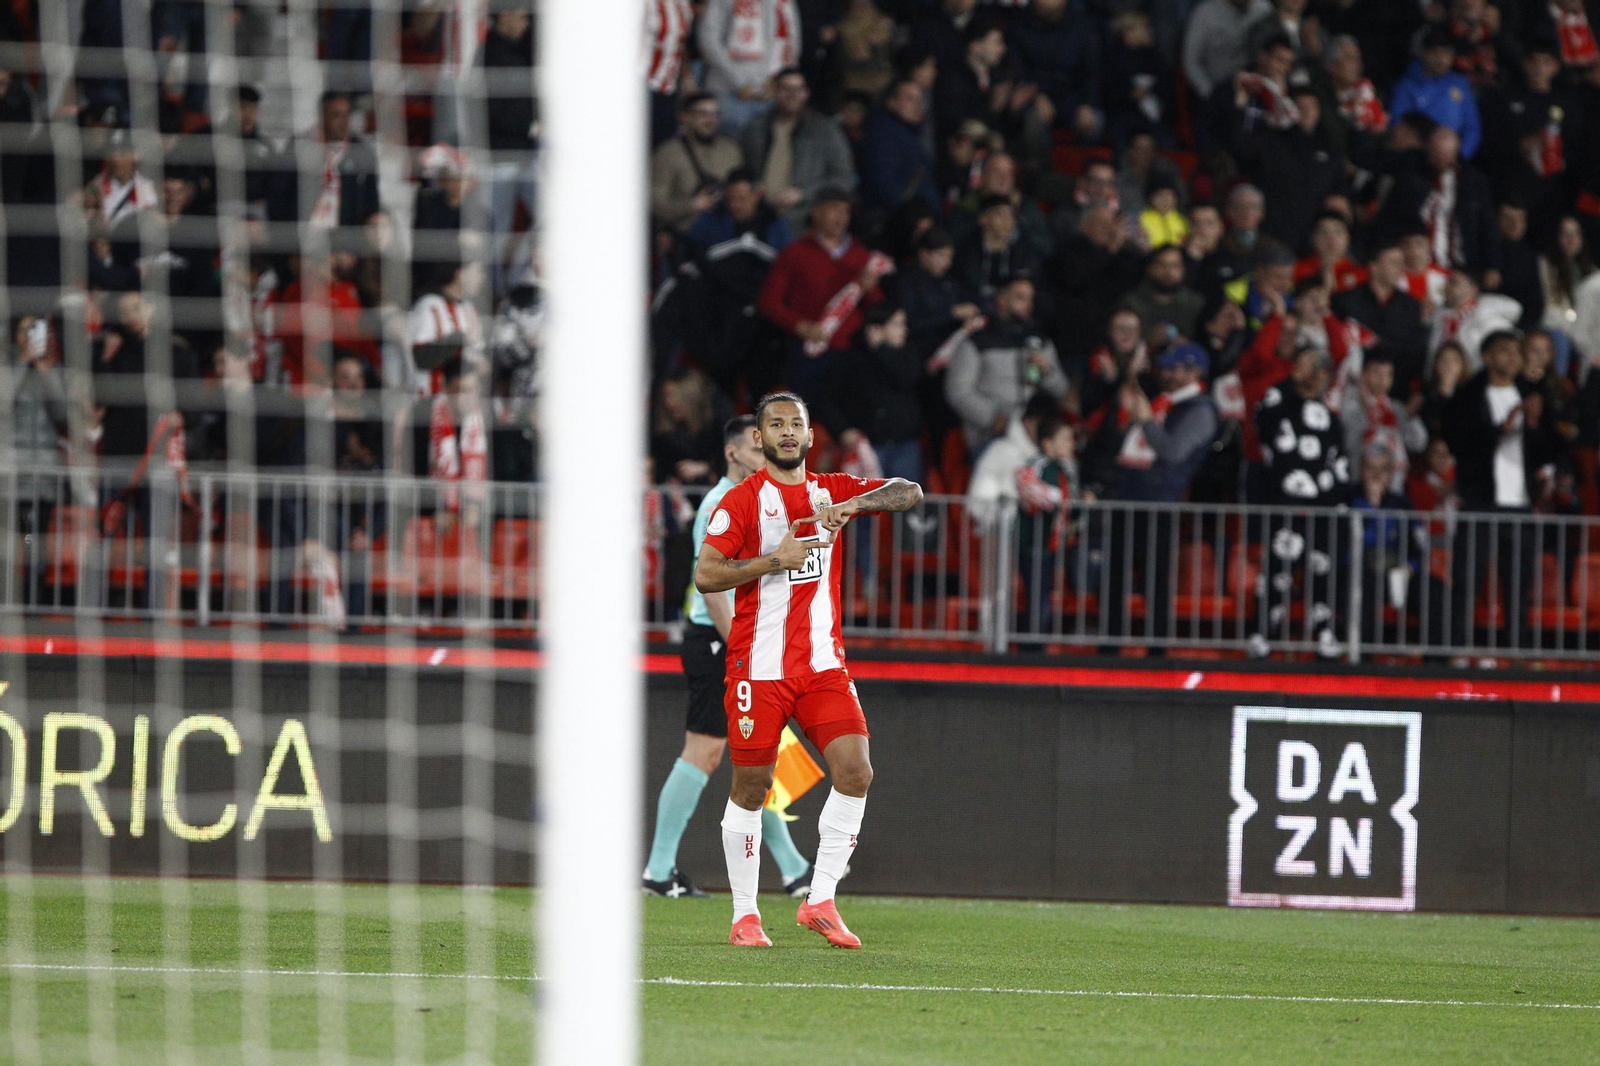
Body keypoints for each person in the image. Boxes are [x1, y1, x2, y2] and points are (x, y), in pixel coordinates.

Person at [694, 391, 924, 948]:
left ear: (810, 435)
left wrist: (859, 506)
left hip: (823, 665)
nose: (788, 432)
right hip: (758, 668)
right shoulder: (743, 503)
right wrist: (776, 559)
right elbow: (706, 574)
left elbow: (910, 492)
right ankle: (745, 915)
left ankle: (819, 900)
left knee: (857, 770)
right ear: (759, 437)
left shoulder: (832, 488)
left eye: (796, 423)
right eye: (776, 424)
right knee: (753, 786)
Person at [644, 415, 816, 899]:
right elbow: (713, 585)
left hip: (732, 640)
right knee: (706, 750)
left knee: (753, 753)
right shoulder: (722, 503)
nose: (765, 456)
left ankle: (793, 867)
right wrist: (744, 648)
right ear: (733, 453)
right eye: (755, 449)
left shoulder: (758, 500)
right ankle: (658, 871)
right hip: (717, 640)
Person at [1441, 330, 1562, 650]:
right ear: (1487, 356)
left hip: (1519, 504)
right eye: (1504, 351)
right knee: (1467, 580)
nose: (1512, 357)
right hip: (1479, 501)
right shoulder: (1467, 396)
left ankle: (1516, 652)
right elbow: (1459, 444)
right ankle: (1457, 649)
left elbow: (1549, 450)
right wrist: (1500, 431)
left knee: (1518, 584)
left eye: (1515, 351)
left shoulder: (1532, 394)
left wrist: (1534, 426)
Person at [1103, 343, 1219, 646]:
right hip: (1128, 498)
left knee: (1153, 583)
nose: (1166, 373)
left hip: (1159, 506)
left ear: (1194, 372)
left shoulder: (1200, 410)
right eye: (1165, 367)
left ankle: (1156, 653)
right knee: (1114, 578)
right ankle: (1109, 648)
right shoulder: (1163, 402)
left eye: (1174, 368)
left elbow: (1173, 451)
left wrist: (1142, 419)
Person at [1250, 345, 1349, 659]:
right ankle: (1263, 634)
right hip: (1284, 506)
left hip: (1321, 512)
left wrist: (1336, 504)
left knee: (1323, 574)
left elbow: (1338, 464)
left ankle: (1324, 634)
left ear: (1322, 375)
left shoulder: (1330, 419)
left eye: (1308, 366)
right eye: (1299, 363)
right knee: (1277, 573)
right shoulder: (1278, 400)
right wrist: (1289, 388)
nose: (1300, 370)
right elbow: (1263, 426)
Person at [944, 276, 1068, 453]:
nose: (1028, 304)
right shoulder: (976, 342)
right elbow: (957, 391)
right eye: (1020, 297)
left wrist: (1047, 372)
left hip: (1036, 437)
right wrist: (993, 418)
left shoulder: (1039, 341)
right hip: (991, 437)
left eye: (1030, 298)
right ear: (1002, 299)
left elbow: (1061, 390)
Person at [740, 68, 857, 234]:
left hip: (803, 220)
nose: (792, 95)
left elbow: (844, 178)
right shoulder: (756, 127)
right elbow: (743, 170)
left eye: (798, 90)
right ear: (775, 91)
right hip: (758, 217)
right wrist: (753, 187)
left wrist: (803, 193)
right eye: (785, 89)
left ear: (806, 93)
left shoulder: (824, 130)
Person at [697, 0, 802, 136]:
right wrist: (740, 82)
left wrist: (776, 81)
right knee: (728, 151)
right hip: (729, 91)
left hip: (766, 92)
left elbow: (788, 40)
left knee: (759, 151)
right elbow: (708, 38)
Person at [651, 93, 745, 234]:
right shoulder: (667, 153)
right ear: (685, 117)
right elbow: (654, 203)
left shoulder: (731, 150)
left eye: (715, 114)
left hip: (726, 235)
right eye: (703, 114)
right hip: (685, 235)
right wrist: (692, 205)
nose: (711, 120)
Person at [1389, 26, 1481, 159]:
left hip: (1454, 159)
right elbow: (1399, 127)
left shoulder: (1460, 84)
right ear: (1424, 53)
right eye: (1436, 53)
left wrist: (1458, 156)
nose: (1441, 59)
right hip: (1418, 160)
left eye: (1446, 54)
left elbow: (1472, 128)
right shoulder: (1406, 86)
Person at [1120, 244, 1205, 343]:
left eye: (1175, 266)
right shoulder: (1131, 304)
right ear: (1150, 268)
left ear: (1183, 270)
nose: (1168, 272)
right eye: (1162, 265)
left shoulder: (1195, 304)